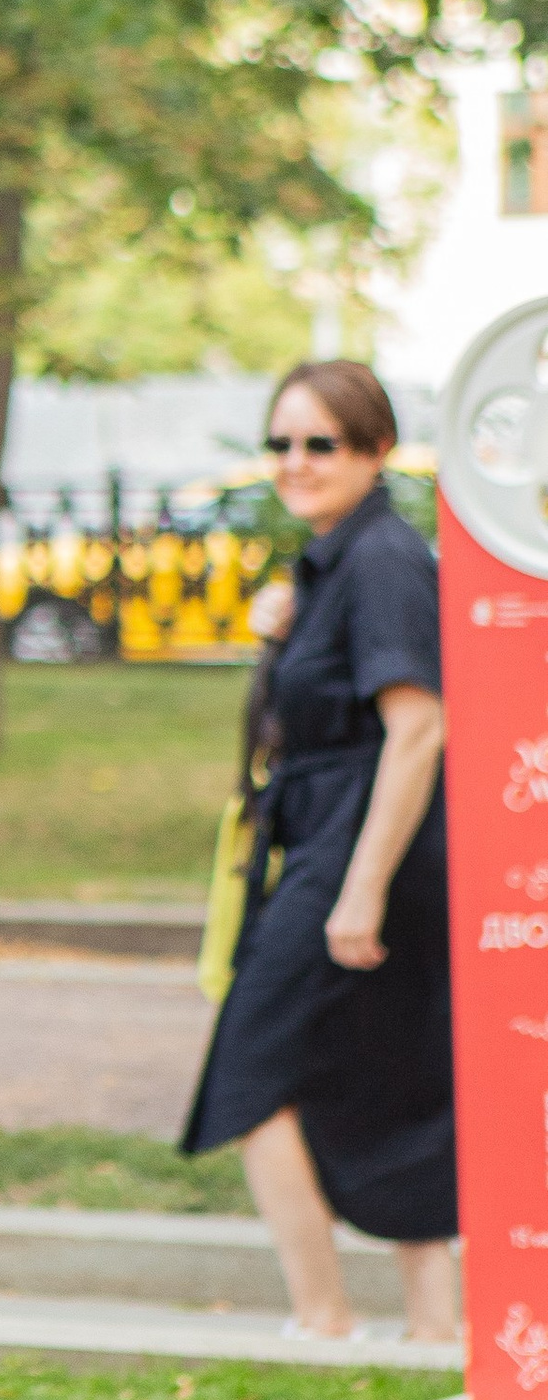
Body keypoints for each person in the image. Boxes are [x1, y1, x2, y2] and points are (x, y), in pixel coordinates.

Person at [182, 360, 456, 1339]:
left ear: (376, 450)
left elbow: (420, 725)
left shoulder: (380, 557)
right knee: (392, 1072)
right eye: (281, 443)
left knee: (251, 1070)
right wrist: (286, 625)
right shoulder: (339, 559)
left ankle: (322, 1317)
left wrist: (360, 889)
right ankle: (433, 1326)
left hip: (361, 847)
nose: (295, 463)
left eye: (321, 444)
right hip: (340, 838)